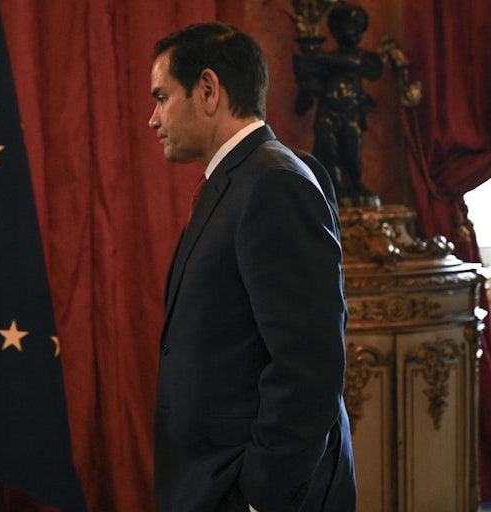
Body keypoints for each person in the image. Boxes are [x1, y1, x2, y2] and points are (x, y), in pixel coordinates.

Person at [148, 22, 355, 511]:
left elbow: (308, 367)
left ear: (207, 90)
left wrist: (262, 494)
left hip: (254, 491)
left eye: (161, 97)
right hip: (215, 480)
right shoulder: (242, 178)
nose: (152, 119)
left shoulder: (271, 183)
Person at [294, 3, 382, 205]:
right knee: (329, 152)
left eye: (357, 27)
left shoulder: (354, 58)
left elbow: (357, 64)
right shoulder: (326, 61)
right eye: (348, 26)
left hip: (351, 111)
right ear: (335, 29)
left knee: (352, 151)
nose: (352, 32)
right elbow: (312, 85)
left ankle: (354, 182)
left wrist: (315, 57)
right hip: (328, 112)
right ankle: (337, 188)